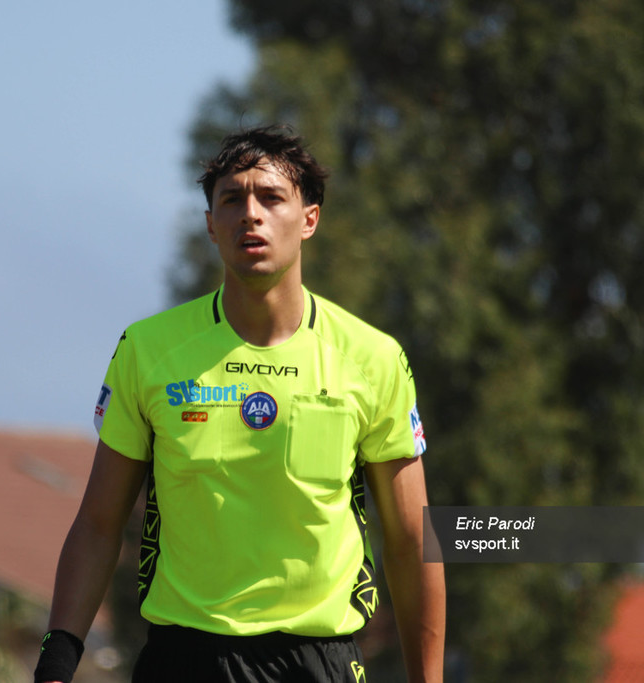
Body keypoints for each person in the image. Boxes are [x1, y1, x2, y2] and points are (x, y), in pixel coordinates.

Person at [34, 125, 445, 683]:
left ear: (309, 219)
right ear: (211, 225)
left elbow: (411, 541)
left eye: (271, 198)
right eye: (232, 200)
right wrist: (56, 664)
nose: (251, 214)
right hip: (182, 662)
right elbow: (98, 525)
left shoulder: (373, 359)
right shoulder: (148, 351)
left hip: (317, 663)